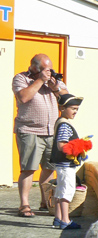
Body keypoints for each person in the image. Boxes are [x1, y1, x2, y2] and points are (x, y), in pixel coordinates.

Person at [12, 54, 68, 218]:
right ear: (35, 68)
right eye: (45, 70)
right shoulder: (21, 78)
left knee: (50, 168)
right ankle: (24, 205)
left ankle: (46, 202)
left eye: (50, 69)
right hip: (30, 131)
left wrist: (55, 88)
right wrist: (40, 81)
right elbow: (23, 97)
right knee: (28, 169)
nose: (49, 73)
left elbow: (66, 98)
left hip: (51, 131)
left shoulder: (54, 79)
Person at [50, 94, 84, 230]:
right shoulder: (65, 125)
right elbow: (62, 145)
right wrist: (79, 148)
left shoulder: (61, 122)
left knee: (59, 190)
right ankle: (66, 220)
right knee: (67, 191)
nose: (75, 111)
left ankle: (58, 218)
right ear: (62, 108)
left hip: (61, 165)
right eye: (73, 108)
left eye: (77, 109)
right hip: (66, 165)